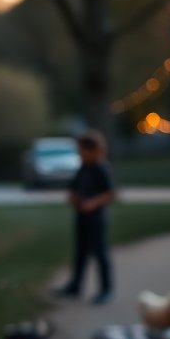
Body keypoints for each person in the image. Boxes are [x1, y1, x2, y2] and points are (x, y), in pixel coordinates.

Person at [56, 130, 116, 303]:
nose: (80, 154)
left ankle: (106, 290)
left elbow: (110, 192)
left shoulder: (101, 168)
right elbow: (74, 187)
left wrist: (94, 203)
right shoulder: (83, 167)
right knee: (80, 252)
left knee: (100, 254)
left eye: (82, 150)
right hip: (81, 216)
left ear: (93, 150)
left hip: (96, 218)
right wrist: (73, 196)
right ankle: (75, 286)